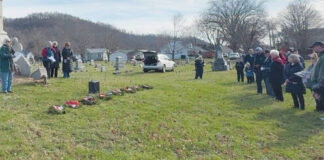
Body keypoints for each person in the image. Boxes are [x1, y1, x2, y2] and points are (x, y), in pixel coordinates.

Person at [310, 41, 324, 112]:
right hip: (318, 81)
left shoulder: (322, 57)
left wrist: (319, 83)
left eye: (315, 47)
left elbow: (322, 71)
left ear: (320, 46)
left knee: (321, 97)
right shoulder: (320, 56)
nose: (313, 48)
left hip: (321, 81)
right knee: (319, 97)